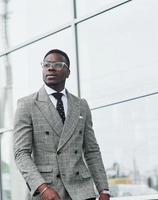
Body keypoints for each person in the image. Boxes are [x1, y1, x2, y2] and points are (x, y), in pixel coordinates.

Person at [13, 49, 110, 200]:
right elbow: (21, 154)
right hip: (49, 192)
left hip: (82, 191)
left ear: (68, 72)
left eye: (57, 64)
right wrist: (43, 188)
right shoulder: (27, 105)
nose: (50, 68)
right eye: (46, 64)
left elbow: (92, 151)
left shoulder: (81, 105)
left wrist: (103, 189)